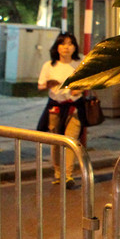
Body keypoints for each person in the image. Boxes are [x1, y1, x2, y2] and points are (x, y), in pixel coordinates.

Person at [37, 32, 86, 188]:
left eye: (70, 43)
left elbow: (89, 81)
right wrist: (49, 85)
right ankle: (58, 173)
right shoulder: (49, 65)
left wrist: (80, 89)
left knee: (70, 141)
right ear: (56, 47)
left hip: (74, 107)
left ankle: (68, 176)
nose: (66, 47)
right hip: (55, 107)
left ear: (75, 47)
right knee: (56, 142)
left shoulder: (81, 62)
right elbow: (41, 85)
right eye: (62, 43)